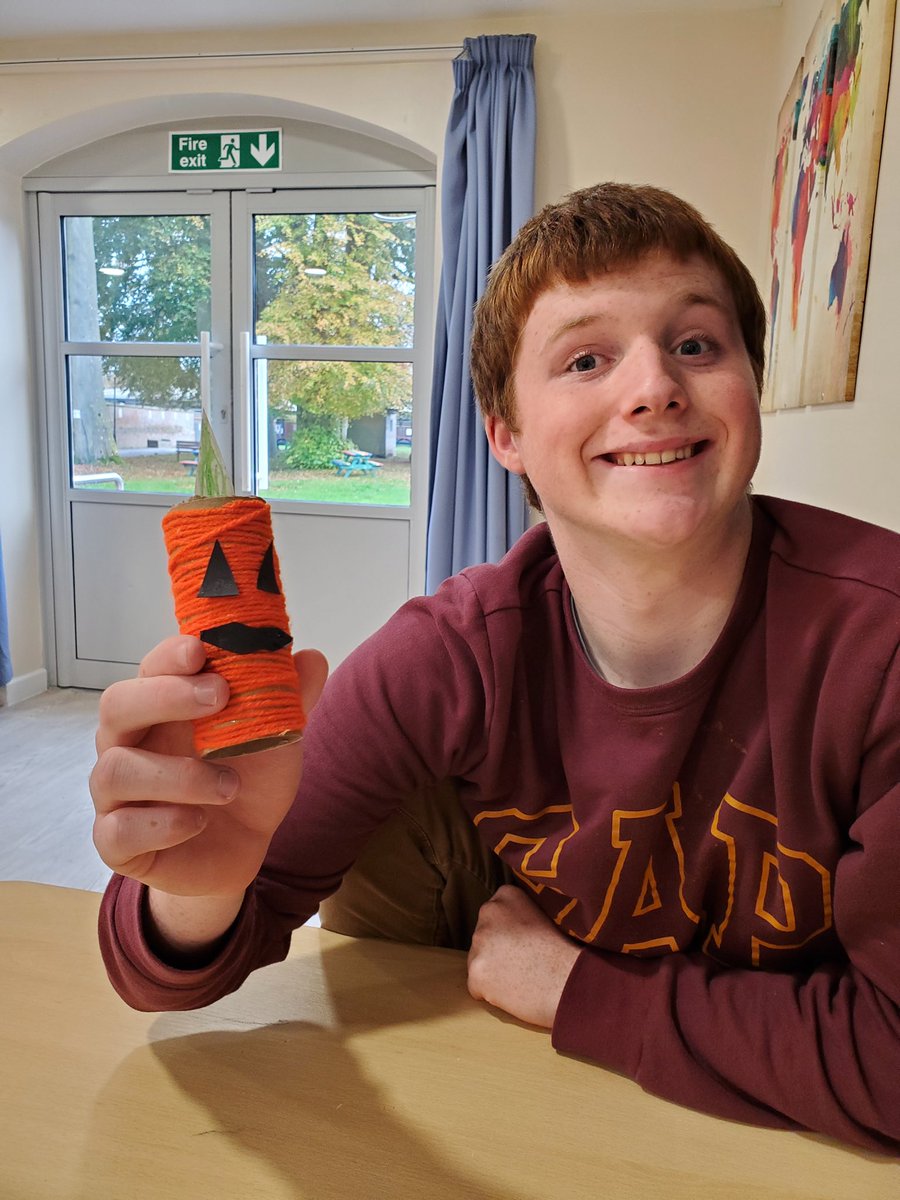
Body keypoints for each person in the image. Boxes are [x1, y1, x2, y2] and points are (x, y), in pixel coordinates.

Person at [92, 183, 900, 1153]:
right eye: (586, 358)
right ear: (504, 432)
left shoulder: (879, 647)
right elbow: (168, 978)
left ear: (750, 388)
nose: (653, 387)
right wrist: (201, 880)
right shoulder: (444, 660)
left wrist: (576, 991)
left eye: (695, 344)